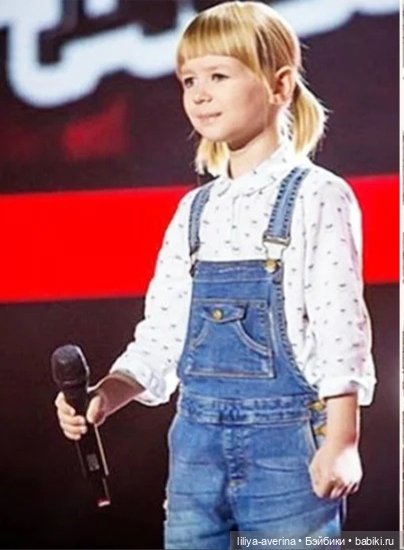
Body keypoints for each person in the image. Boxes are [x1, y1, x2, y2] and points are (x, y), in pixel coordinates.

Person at [55, 2, 375, 548]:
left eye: (219, 76)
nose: (200, 94)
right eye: (189, 80)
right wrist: (107, 394)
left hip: (287, 450)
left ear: (280, 85)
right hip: (195, 452)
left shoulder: (317, 194)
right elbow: (163, 336)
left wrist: (342, 440)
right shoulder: (194, 211)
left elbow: (339, 325)